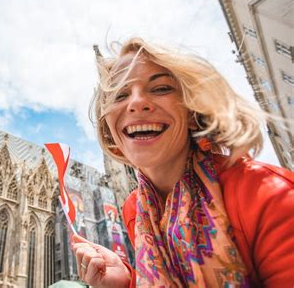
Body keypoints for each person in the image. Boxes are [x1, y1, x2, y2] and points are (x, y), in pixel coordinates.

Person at [72, 37, 294, 287]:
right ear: (109, 128)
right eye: (120, 94)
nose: (135, 103)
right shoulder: (137, 208)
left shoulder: (269, 193)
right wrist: (126, 283)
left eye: (160, 88)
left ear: (192, 111)